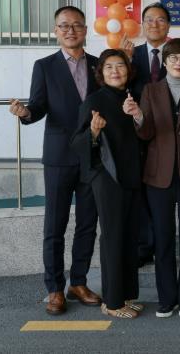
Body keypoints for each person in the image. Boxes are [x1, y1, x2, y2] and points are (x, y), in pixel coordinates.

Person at [8, 6, 101, 315]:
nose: (70, 31)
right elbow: (38, 105)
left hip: (92, 155)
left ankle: (79, 282)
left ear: (85, 30)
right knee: (55, 226)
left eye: (76, 25)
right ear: (55, 31)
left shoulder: (99, 65)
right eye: (64, 26)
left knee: (87, 223)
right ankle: (55, 288)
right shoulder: (45, 66)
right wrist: (26, 113)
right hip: (59, 156)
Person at [124, 37, 180, 318]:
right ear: (164, 62)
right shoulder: (150, 90)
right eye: (174, 58)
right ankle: (167, 298)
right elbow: (146, 134)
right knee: (163, 239)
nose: (179, 63)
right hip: (158, 176)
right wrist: (138, 117)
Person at [70, 49, 142, 319]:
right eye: (109, 67)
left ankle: (125, 295)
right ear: (101, 72)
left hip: (133, 175)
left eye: (120, 65)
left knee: (130, 236)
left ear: (128, 70)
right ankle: (112, 302)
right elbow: (76, 143)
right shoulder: (95, 100)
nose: (115, 71)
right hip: (107, 176)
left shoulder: (133, 97)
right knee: (113, 237)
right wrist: (93, 131)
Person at [125, 2, 172, 267]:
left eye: (160, 19)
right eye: (150, 20)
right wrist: (125, 60)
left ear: (168, 25)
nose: (155, 24)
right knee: (142, 191)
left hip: (169, 134)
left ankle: (164, 244)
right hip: (139, 134)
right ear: (142, 25)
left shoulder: (178, 54)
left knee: (164, 192)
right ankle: (145, 246)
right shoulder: (131, 54)